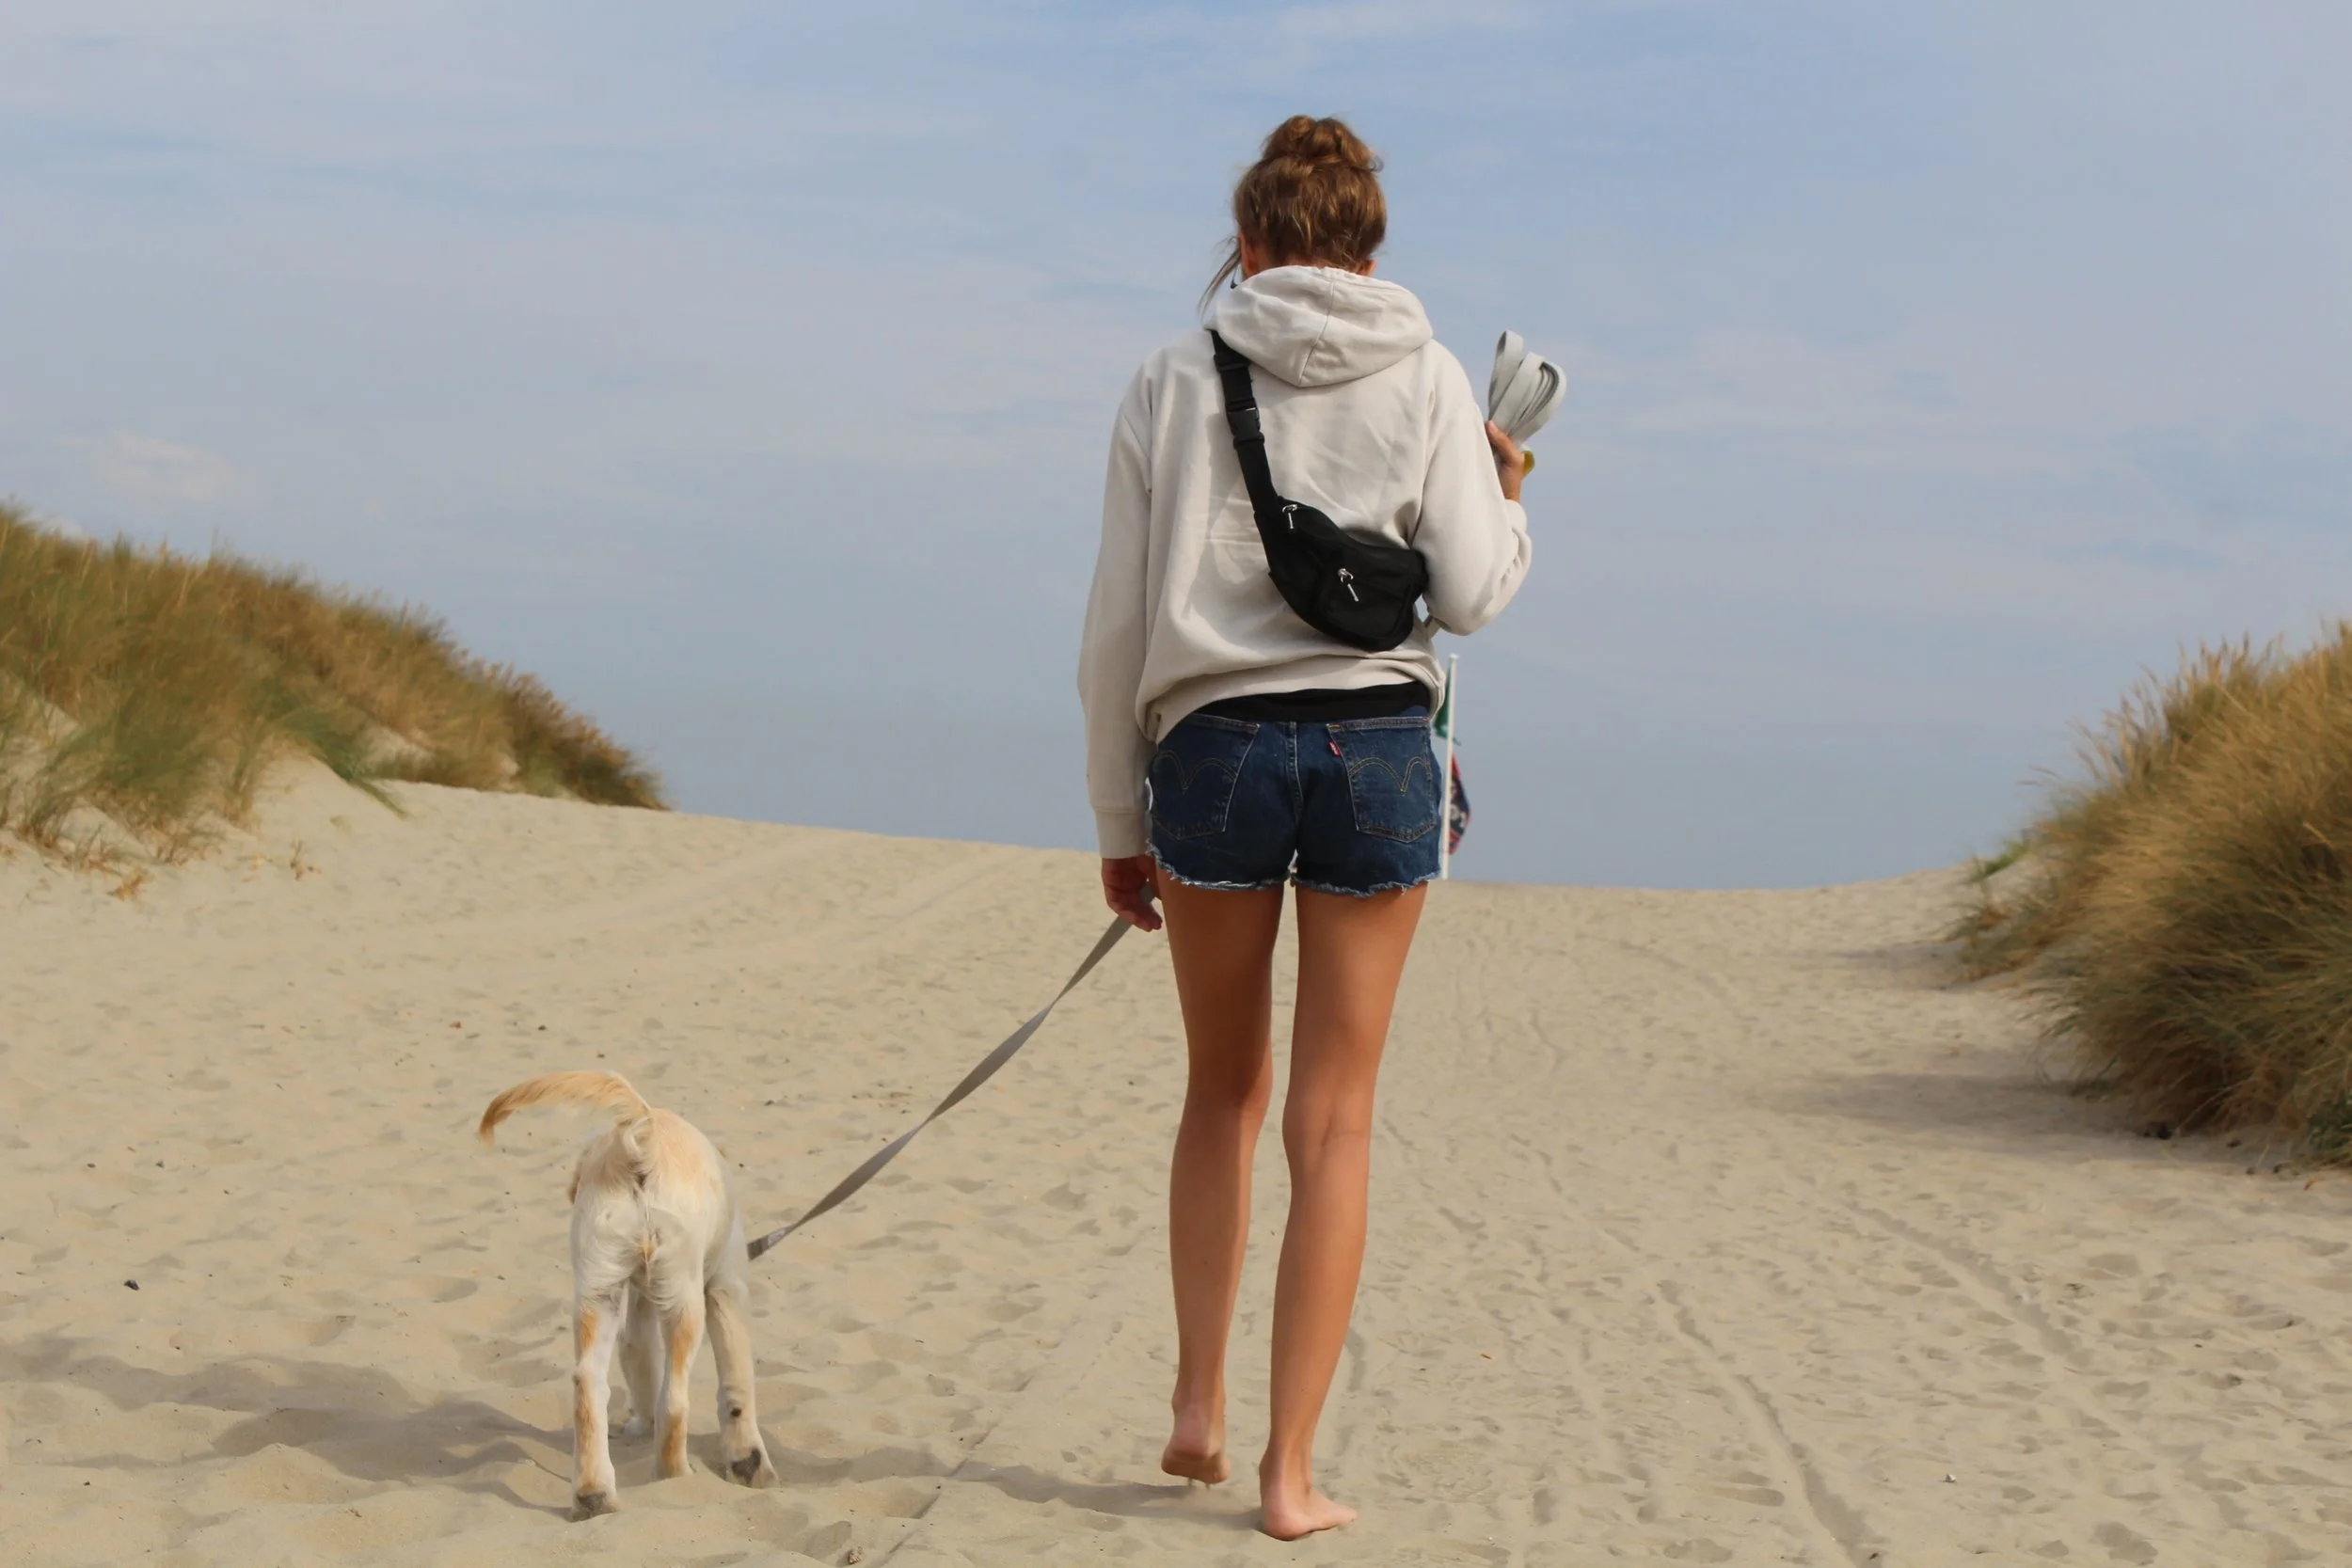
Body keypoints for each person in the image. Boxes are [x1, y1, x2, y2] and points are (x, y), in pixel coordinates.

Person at [1076, 115, 1535, 1539]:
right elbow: (1470, 594)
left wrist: (1117, 818)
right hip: (1378, 746)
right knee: (1334, 1123)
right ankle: (1288, 1476)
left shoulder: (1173, 376)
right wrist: (1509, 496)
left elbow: (1113, 629)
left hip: (1212, 743)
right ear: (1369, 250)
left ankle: (1196, 1401)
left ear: (1250, 242)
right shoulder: (1431, 371)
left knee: (1223, 1089)